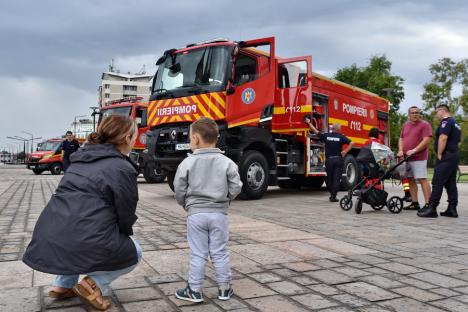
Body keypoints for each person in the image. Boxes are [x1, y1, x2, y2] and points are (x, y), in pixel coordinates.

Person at [23, 115, 141, 311]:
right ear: (127, 139)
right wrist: (123, 235)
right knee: (135, 252)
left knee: (76, 236)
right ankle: (93, 284)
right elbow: (126, 212)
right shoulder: (122, 167)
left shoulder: (80, 160)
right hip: (83, 238)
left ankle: (63, 285)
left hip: (49, 233)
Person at [174, 117, 242, 303]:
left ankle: (194, 290)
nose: (190, 142)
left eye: (189, 139)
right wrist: (226, 199)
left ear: (195, 139)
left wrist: (186, 204)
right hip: (219, 214)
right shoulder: (227, 162)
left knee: (198, 253)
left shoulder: (187, 163)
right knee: (219, 252)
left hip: (196, 214)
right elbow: (236, 186)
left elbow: (179, 189)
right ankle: (224, 289)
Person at [418, 103, 461, 218]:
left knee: (437, 182)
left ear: (442, 111)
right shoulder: (456, 123)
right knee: (450, 183)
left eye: (437, 112)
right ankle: (452, 208)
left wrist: (440, 153)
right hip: (454, 155)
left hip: (446, 156)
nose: (436, 115)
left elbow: (443, 137)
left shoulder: (446, 122)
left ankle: (432, 208)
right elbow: (457, 140)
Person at [305, 117, 354, 202]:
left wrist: (309, 123)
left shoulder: (326, 136)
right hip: (338, 160)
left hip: (329, 160)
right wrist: (345, 151)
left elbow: (316, 131)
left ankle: (332, 194)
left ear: (332, 129)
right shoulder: (341, 137)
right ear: (338, 130)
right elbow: (352, 143)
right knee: (336, 178)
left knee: (329, 178)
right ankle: (333, 196)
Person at [397, 106, 432, 211]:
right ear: (409, 114)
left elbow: (426, 140)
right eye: (412, 113)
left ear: (420, 114)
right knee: (411, 180)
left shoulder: (425, 125)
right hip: (407, 158)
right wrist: (400, 150)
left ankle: (428, 204)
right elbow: (401, 138)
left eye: (417, 112)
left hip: (419, 157)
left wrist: (414, 150)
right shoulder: (405, 125)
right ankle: (414, 203)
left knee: (422, 179)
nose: (415, 114)